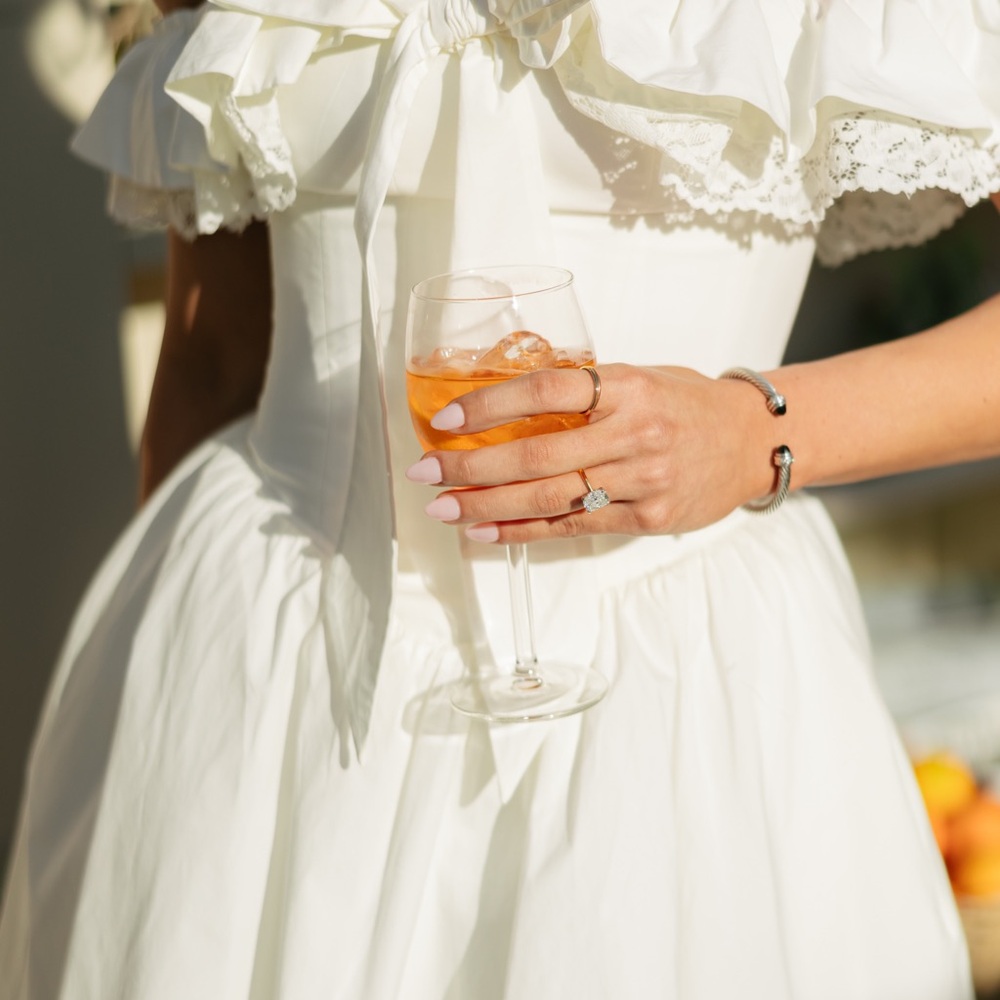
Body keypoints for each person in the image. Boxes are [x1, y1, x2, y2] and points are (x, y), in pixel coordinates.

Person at [2, 1, 998, 997]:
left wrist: (754, 435)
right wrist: (161, 731)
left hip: (679, 705)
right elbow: (215, 352)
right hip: (272, 676)